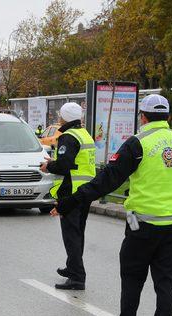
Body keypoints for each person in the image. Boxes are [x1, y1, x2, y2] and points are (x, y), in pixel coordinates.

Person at [53, 94, 172, 316]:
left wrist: (71, 202)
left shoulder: (137, 144)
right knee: (166, 288)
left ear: (143, 116)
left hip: (140, 229)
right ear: (168, 117)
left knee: (132, 284)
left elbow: (106, 180)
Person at [40, 103, 96, 290]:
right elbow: (75, 163)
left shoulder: (68, 137)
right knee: (78, 233)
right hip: (86, 191)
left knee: (71, 235)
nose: (59, 118)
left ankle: (77, 278)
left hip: (71, 192)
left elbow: (65, 166)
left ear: (64, 118)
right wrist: (57, 162)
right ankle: (72, 267)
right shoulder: (84, 134)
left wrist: (49, 166)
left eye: (60, 115)